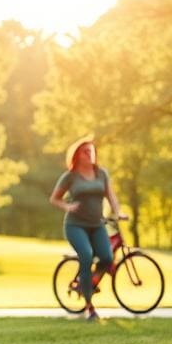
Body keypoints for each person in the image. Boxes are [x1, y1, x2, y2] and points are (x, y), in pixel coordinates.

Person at [49, 135, 124, 321]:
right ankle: (90, 307)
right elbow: (54, 199)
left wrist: (118, 212)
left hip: (96, 224)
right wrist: (68, 206)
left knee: (107, 257)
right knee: (86, 255)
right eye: (85, 151)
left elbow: (111, 196)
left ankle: (89, 282)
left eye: (91, 150)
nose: (89, 154)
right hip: (75, 225)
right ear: (77, 155)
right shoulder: (70, 176)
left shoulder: (101, 173)